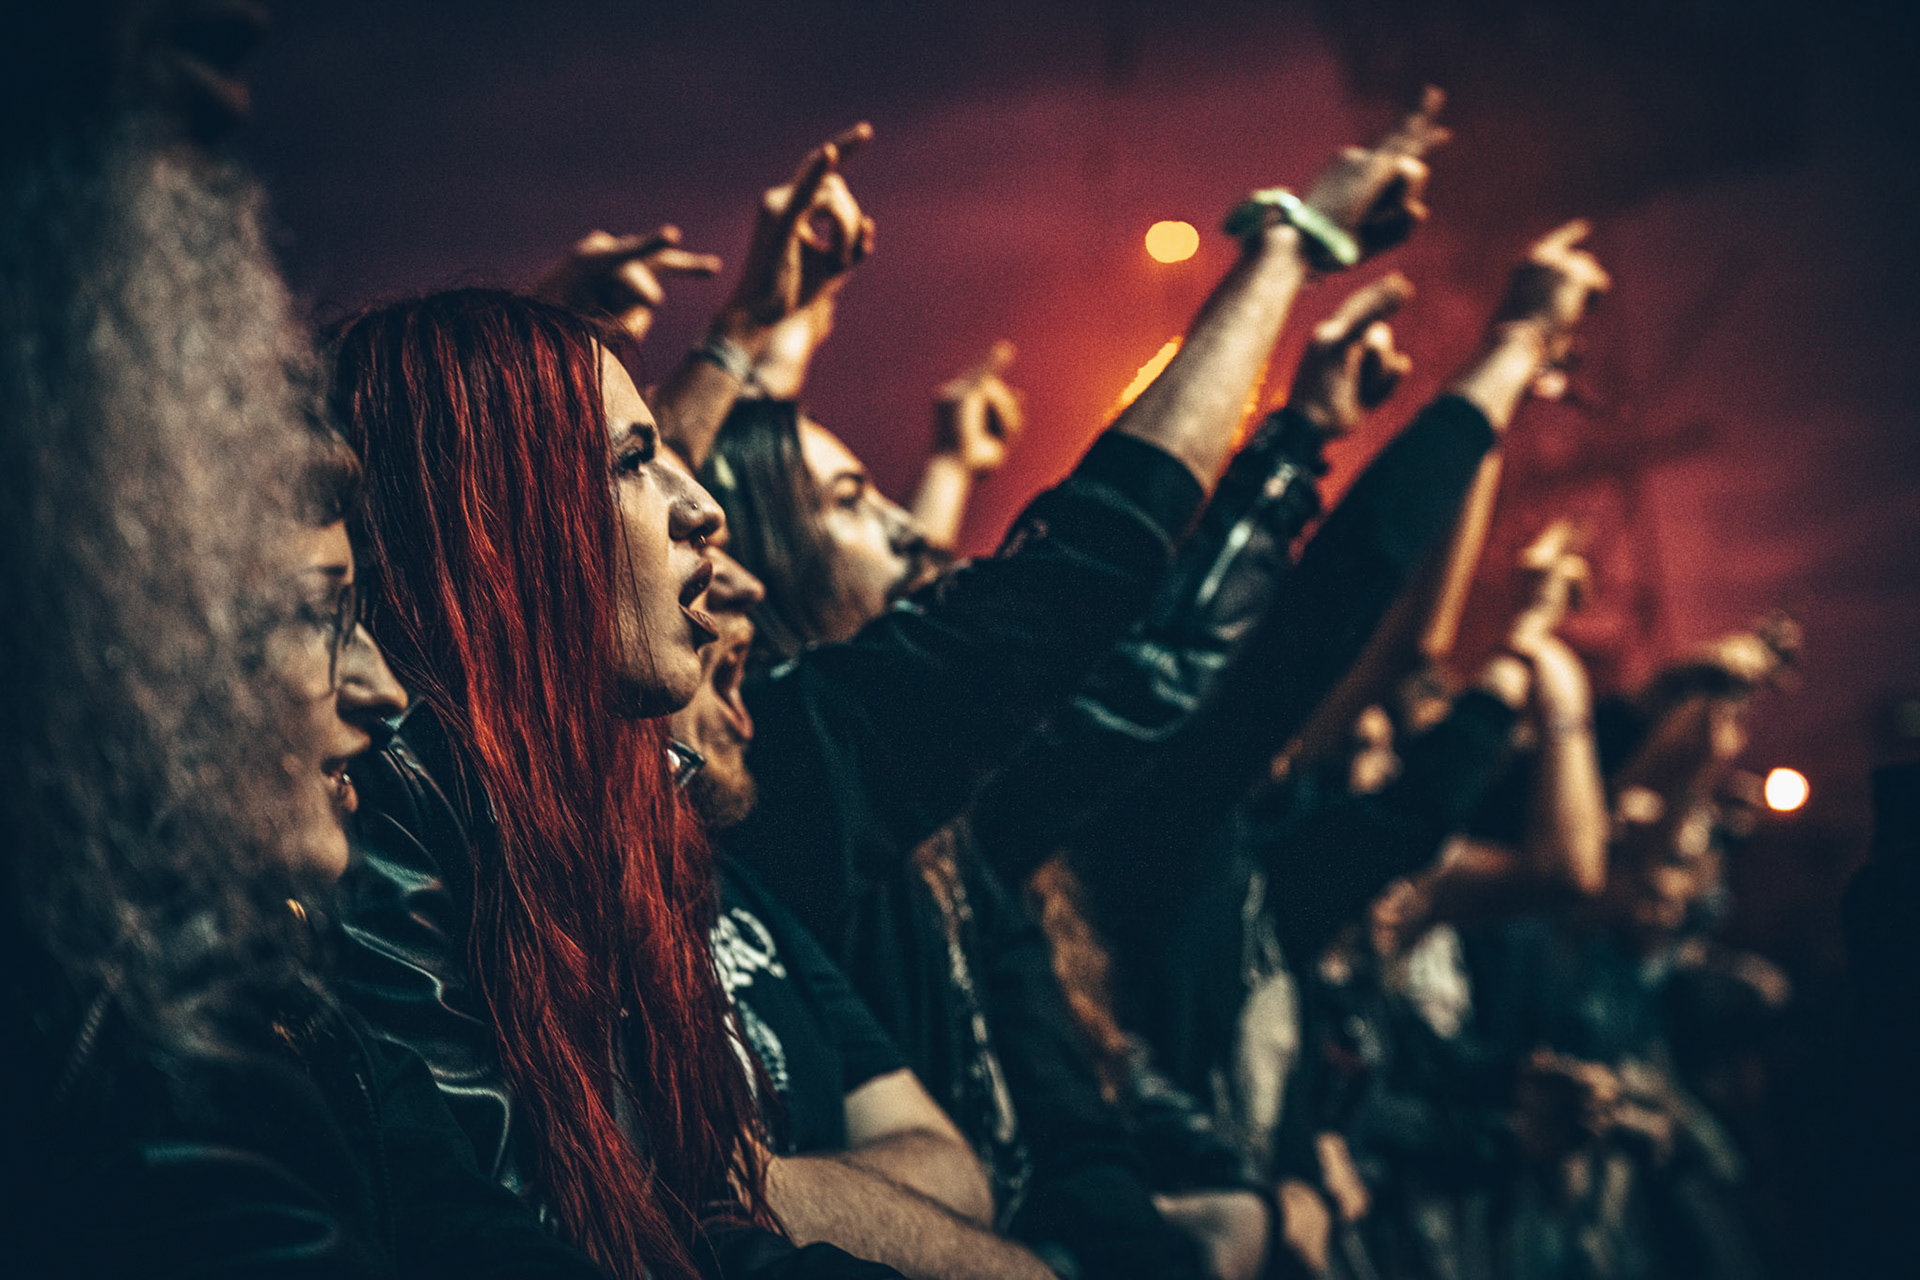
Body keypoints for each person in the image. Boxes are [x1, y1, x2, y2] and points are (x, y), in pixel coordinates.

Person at [330, 291, 900, 1280]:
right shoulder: (395, 821)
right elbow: (542, 1238)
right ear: (498, 524)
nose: (704, 511)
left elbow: (688, 1217)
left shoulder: (623, 807)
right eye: (634, 461)